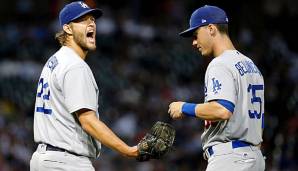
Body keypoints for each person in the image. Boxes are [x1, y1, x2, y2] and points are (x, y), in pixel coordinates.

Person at [30, 1, 138, 171]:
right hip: (66, 162)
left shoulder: (55, 61)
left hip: (45, 159)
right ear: (67, 28)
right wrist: (128, 150)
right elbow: (88, 121)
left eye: (93, 20)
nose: (91, 24)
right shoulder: (75, 66)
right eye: (83, 20)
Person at [168, 5, 265, 171]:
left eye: (195, 34)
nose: (194, 42)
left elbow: (222, 110)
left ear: (211, 28)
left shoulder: (220, 64)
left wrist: (184, 107)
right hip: (254, 157)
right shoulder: (250, 65)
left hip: (230, 158)